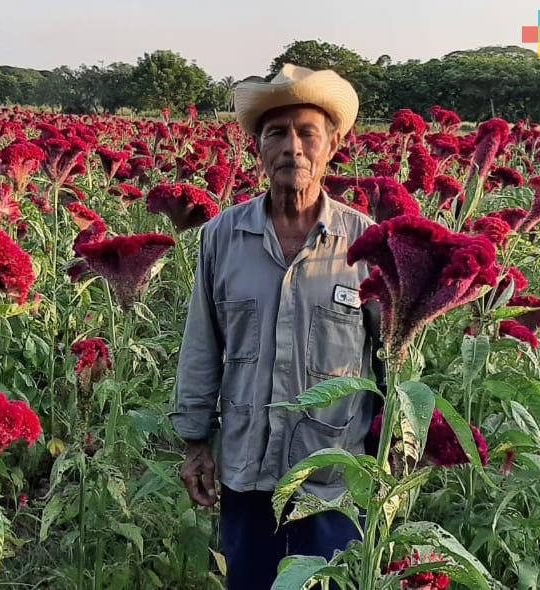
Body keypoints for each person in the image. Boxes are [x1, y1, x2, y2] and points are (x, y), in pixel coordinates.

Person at [169, 63, 384, 589]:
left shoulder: (368, 245)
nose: (292, 147)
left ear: (330, 144)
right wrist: (196, 443)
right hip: (247, 471)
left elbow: (390, 357)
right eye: (276, 133)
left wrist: (390, 451)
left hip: (329, 478)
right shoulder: (221, 237)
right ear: (258, 150)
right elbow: (203, 344)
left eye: (306, 132)